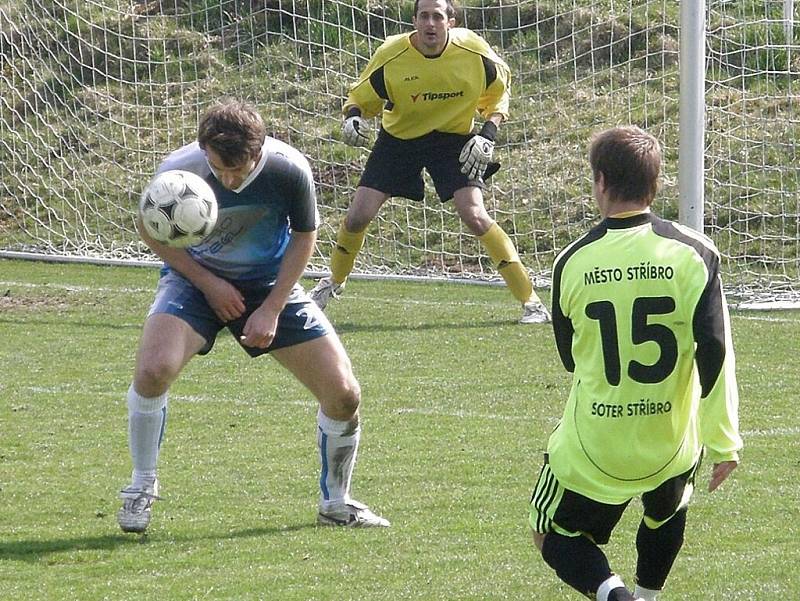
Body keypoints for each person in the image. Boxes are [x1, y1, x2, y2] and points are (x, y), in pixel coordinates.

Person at [117, 99, 389, 533]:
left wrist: (273, 307)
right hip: (194, 280)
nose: (226, 179)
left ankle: (337, 503)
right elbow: (149, 228)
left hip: (268, 283)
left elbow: (305, 236)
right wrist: (209, 284)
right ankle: (141, 487)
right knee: (153, 371)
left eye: (236, 172)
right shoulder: (179, 170)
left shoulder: (288, 169)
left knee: (344, 394)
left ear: (257, 152)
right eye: (218, 169)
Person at [528, 126, 742, 601]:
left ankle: (617, 597)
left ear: (600, 181)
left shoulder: (573, 260)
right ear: (656, 183)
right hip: (669, 444)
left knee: (550, 532)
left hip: (596, 445)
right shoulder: (695, 254)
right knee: (667, 509)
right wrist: (724, 441)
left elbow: (570, 357)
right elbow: (714, 351)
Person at [310, 0, 550, 324]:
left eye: (438, 16)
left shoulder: (475, 52)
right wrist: (353, 118)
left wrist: (488, 134)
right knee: (357, 217)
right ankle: (331, 283)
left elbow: (500, 92)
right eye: (424, 16)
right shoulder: (391, 54)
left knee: (475, 215)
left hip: (452, 140)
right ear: (415, 22)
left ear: (451, 21)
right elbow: (360, 97)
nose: (430, 23)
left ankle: (532, 303)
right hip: (399, 141)